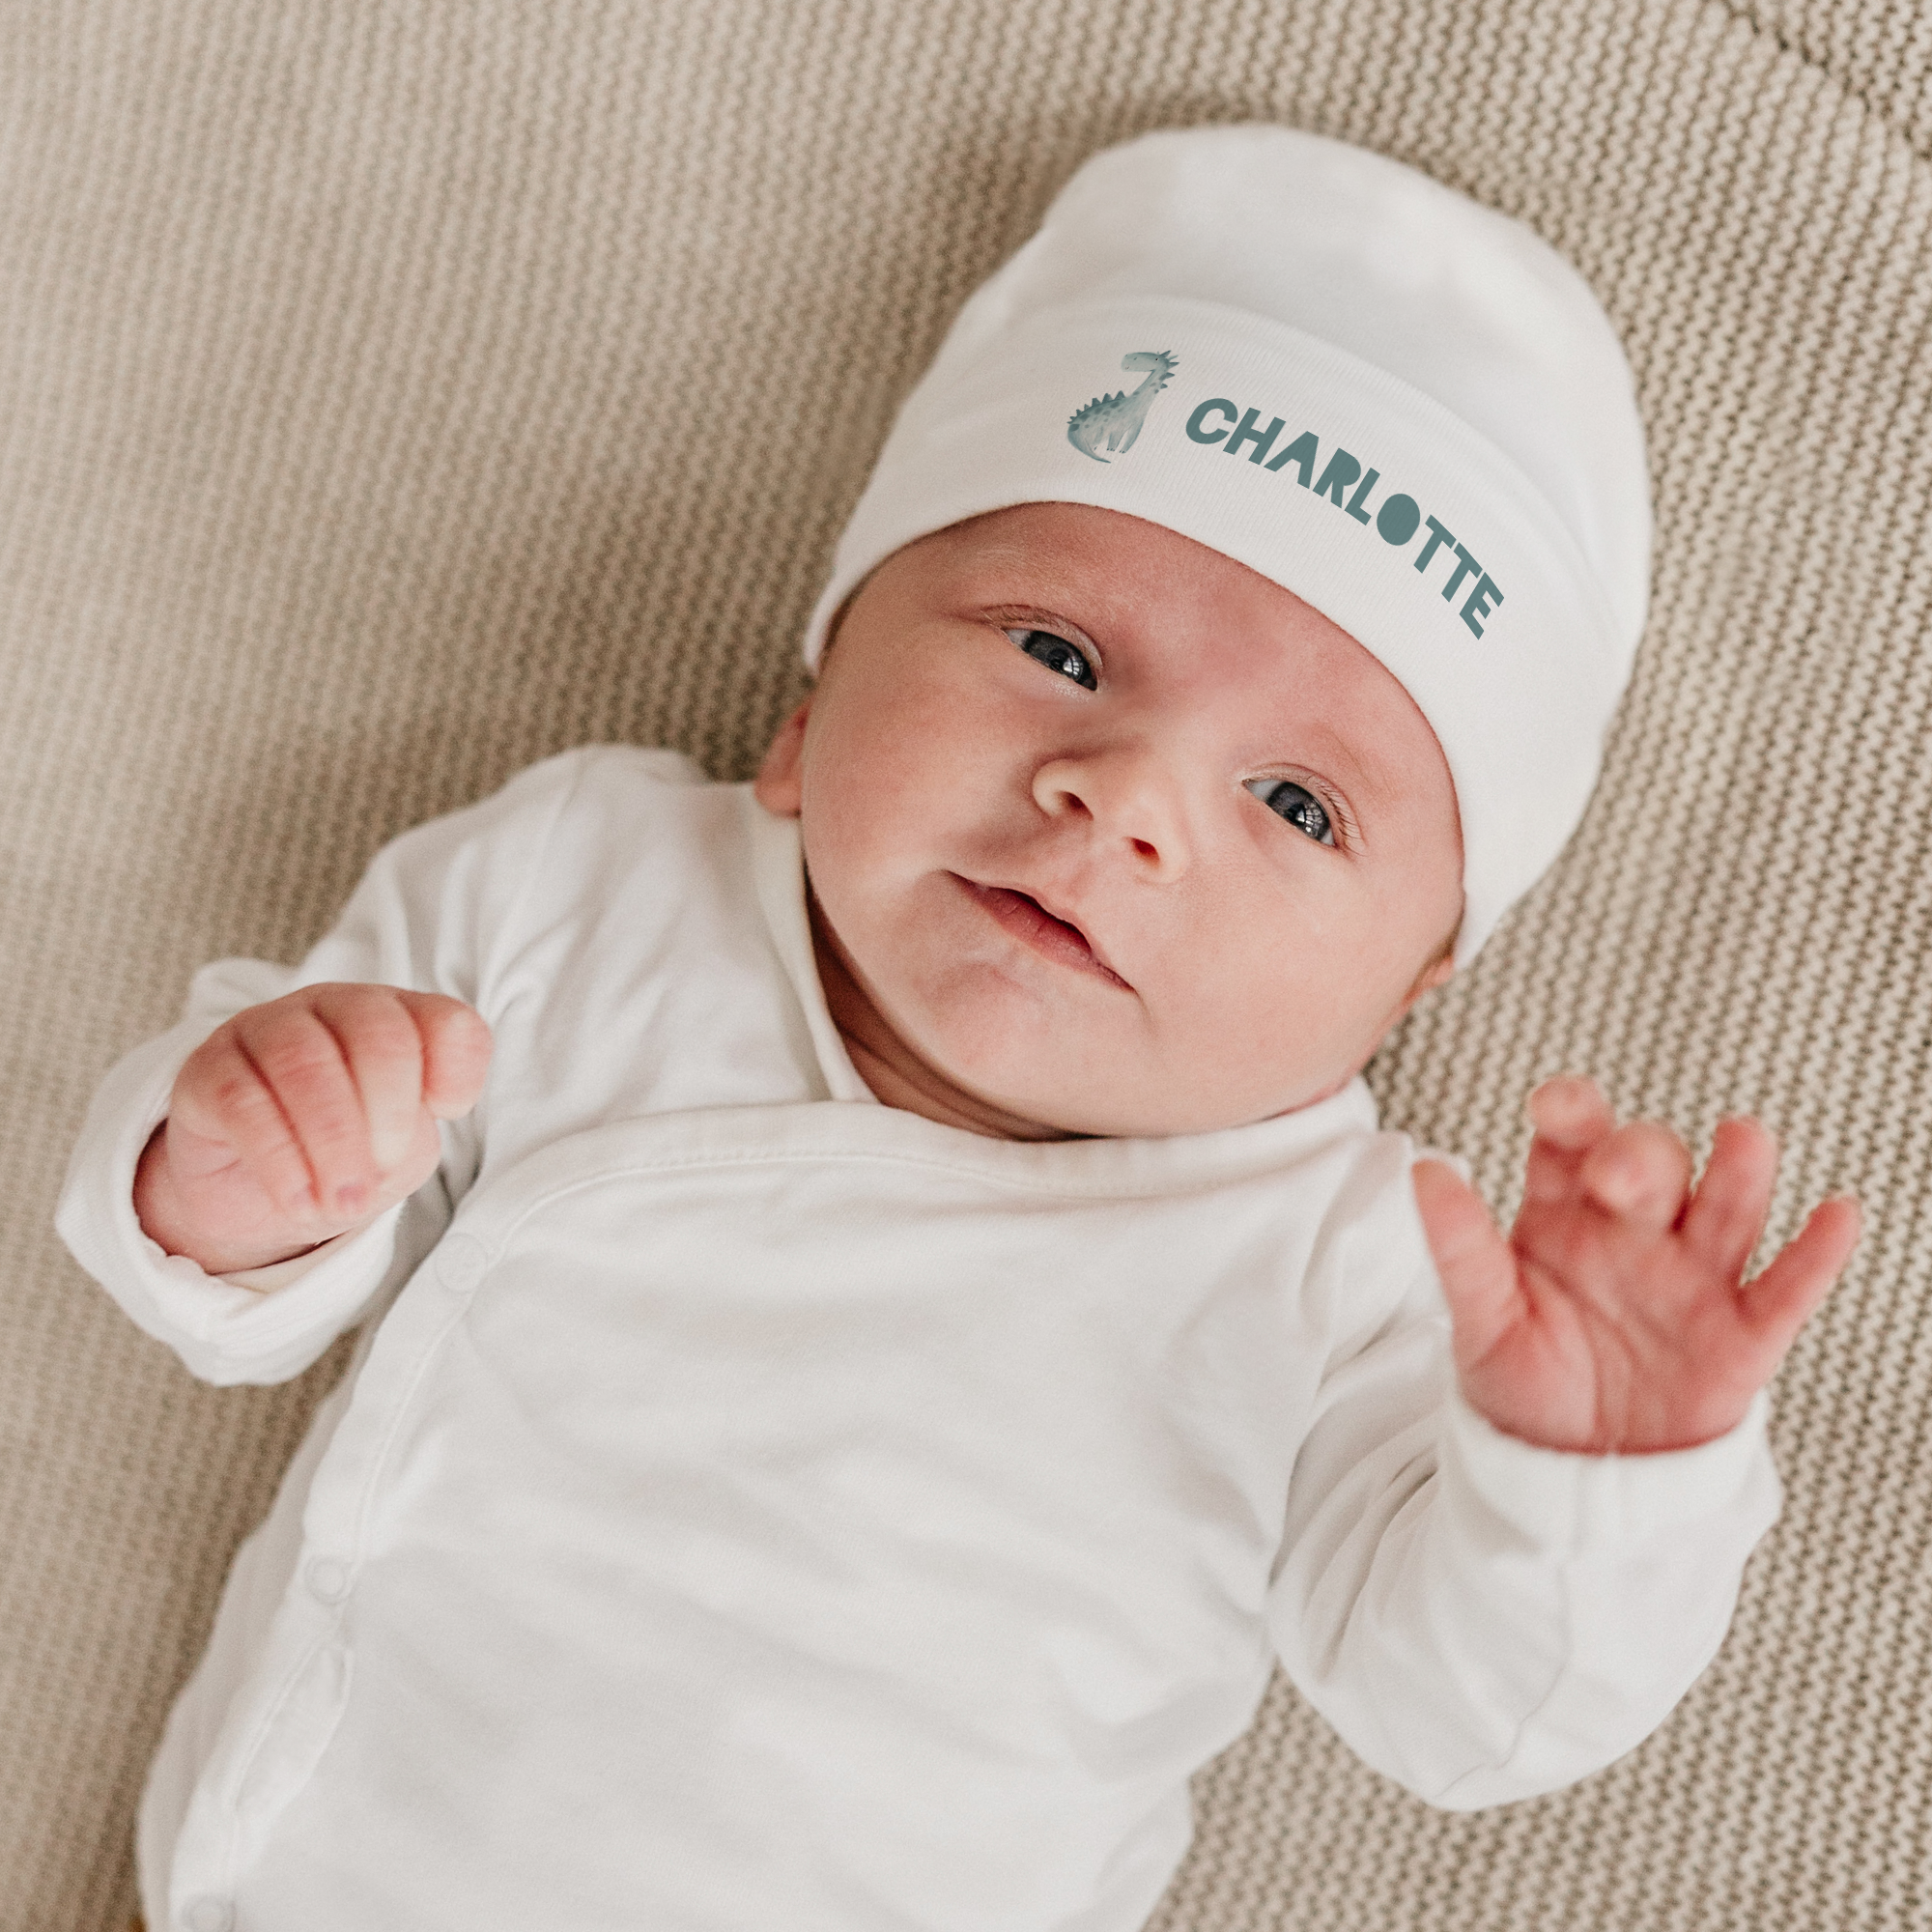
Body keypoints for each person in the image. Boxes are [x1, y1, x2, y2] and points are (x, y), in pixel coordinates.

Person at [61, 125, 1860, 1932]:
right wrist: (238, 1175)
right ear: (808, 706)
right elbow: (220, 1261)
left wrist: (1592, 1478)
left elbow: (1462, 1715)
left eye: (1299, 807)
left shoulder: (1346, 1269)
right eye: (1061, 655)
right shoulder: (586, 888)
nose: (1127, 796)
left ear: (1405, 996)